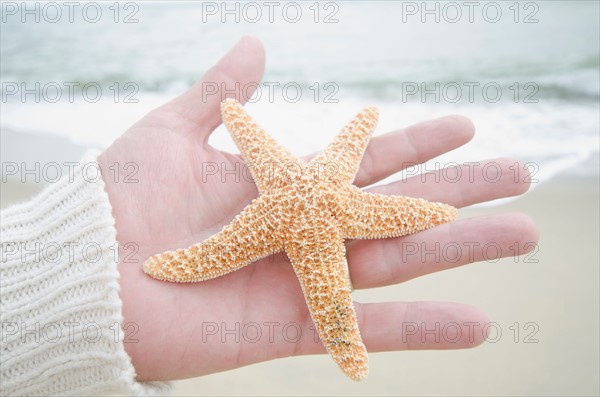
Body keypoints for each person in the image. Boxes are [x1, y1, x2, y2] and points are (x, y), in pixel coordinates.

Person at [0, 36, 539, 396]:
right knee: (331, 287)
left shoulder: (298, 186)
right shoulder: (300, 187)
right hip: (305, 217)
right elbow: (247, 171)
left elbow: (367, 183)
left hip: (305, 211)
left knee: (354, 269)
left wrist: (427, 209)